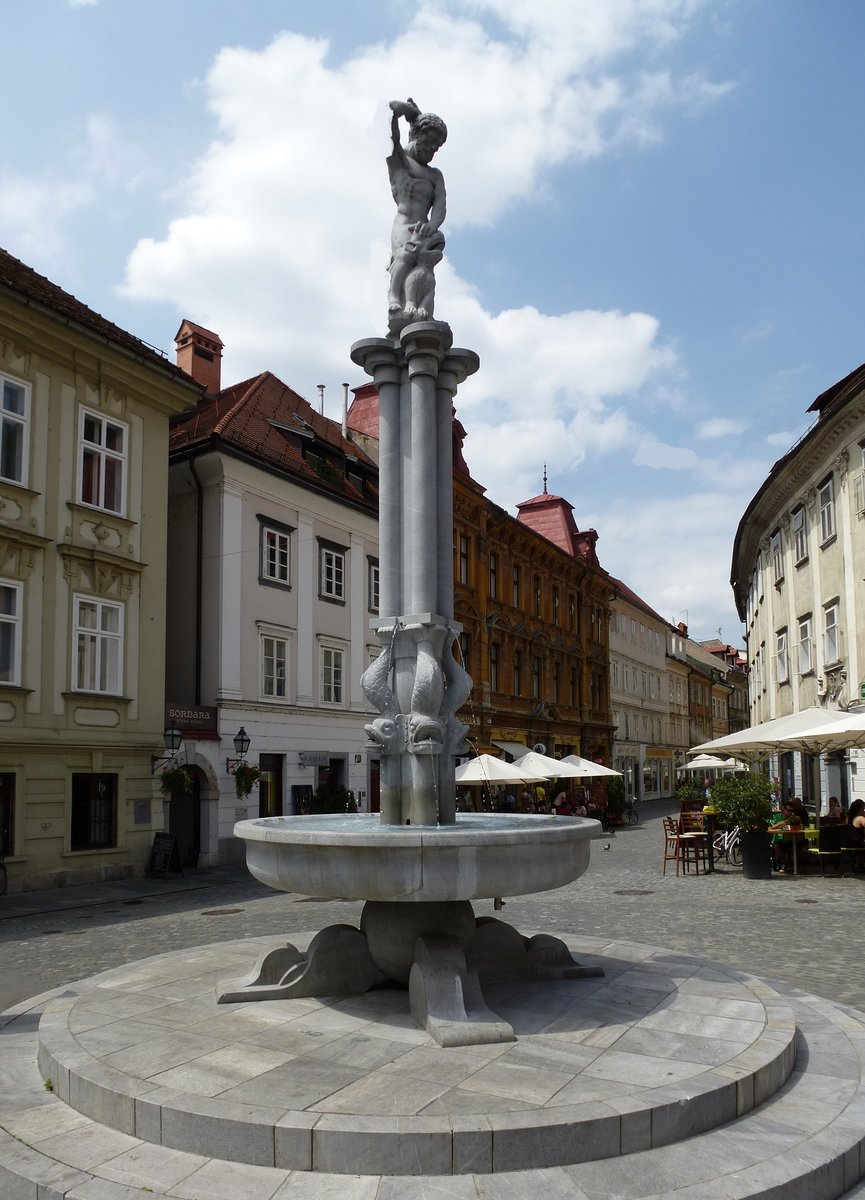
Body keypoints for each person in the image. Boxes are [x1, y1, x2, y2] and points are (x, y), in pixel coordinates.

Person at [386, 98, 448, 328]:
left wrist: (433, 225)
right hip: (404, 225)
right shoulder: (398, 160)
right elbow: (389, 132)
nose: (433, 150)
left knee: (425, 274)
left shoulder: (435, 175)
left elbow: (440, 205)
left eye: (437, 146)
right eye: (430, 142)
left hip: (425, 230)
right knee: (405, 257)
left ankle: (421, 310)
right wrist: (403, 112)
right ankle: (395, 301)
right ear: (417, 135)